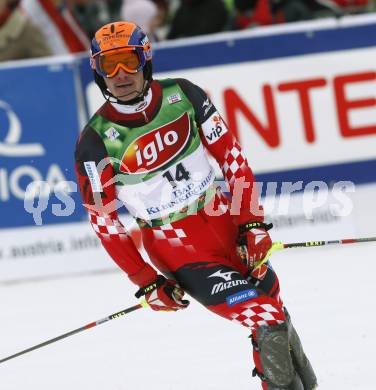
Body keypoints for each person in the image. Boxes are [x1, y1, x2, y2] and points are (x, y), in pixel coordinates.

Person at [75, 21, 318, 390]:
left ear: (146, 60)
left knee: (273, 308)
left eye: (128, 61)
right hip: (181, 251)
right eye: (109, 65)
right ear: (97, 72)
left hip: (227, 226)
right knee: (267, 318)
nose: (120, 74)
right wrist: (145, 280)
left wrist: (251, 225)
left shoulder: (184, 95)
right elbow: (105, 223)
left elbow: (232, 159)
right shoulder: (95, 142)